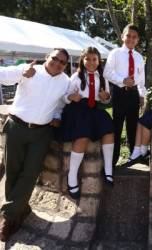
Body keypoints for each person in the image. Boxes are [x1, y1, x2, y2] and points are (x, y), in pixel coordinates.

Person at [0, 48, 70, 242]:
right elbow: (2, 76)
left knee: (30, 173)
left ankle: (7, 216)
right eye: (55, 58)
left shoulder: (65, 81)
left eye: (62, 62)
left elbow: (60, 104)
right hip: (16, 127)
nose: (57, 63)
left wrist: (56, 116)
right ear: (47, 57)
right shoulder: (29, 69)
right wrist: (20, 73)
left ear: (65, 66)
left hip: (41, 132)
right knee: (13, 171)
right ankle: (21, 210)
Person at [57, 47, 114, 200]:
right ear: (82, 60)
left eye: (94, 59)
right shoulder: (76, 76)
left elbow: (106, 98)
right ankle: (72, 176)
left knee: (109, 131)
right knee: (82, 136)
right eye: (87, 59)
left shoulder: (103, 78)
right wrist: (70, 97)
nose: (91, 62)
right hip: (78, 109)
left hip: (94, 109)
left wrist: (105, 97)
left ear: (98, 61)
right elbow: (64, 97)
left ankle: (108, 170)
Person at [103, 24, 146, 166]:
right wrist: (123, 80)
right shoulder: (115, 53)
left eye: (134, 37)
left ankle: (133, 157)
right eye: (128, 36)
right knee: (117, 126)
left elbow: (141, 80)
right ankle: (113, 160)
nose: (131, 39)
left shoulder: (139, 57)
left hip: (133, 94)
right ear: (122, 37)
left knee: (133, 126)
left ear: (137, 40)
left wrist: (141, 95)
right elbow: (107, 73)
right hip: (120, 93)